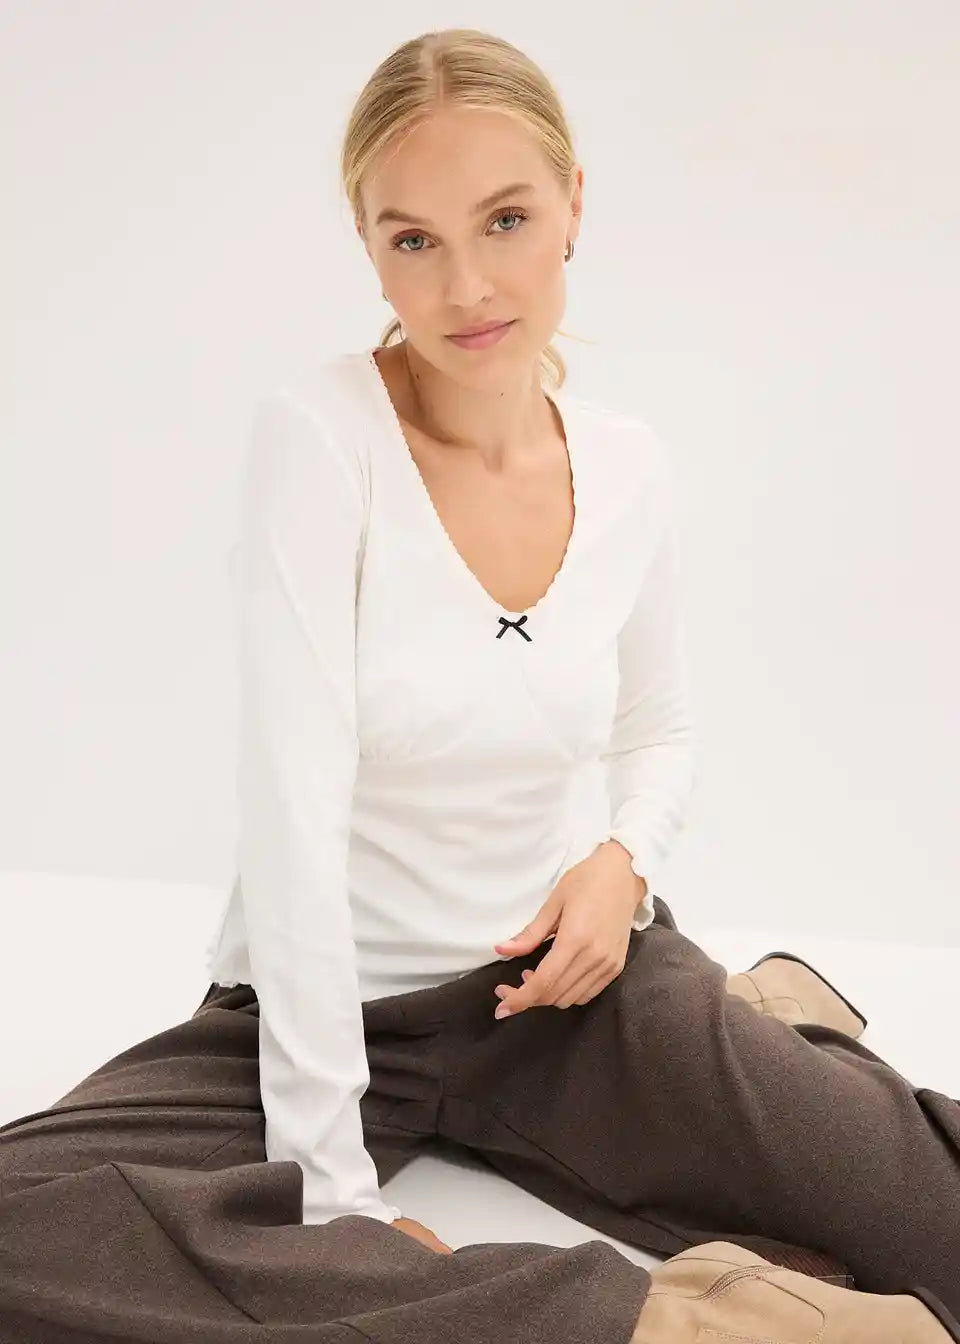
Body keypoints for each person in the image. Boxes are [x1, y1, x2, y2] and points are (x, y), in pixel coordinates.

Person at [2, 26, 958, 1344]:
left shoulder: (629, 466)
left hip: (576, 994)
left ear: (574, 208)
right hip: (317, 1015)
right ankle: (683, 1330)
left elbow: (660, 726)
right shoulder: (320, 440)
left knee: (935, 1210)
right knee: (25, 1224)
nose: (465, 285)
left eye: (505, 219)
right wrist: (331, 1196)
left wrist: (621, 866)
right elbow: (292, 820)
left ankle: (763, 1043)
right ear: (368, 247)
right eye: (414, 240)